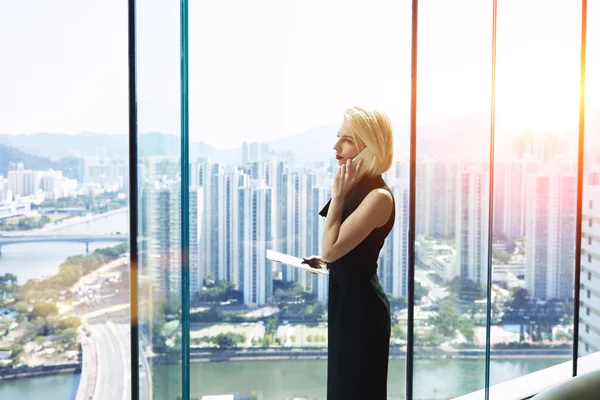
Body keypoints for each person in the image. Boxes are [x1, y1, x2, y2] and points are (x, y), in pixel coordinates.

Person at [302, 106, 395, 400]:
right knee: (342, 388)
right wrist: (325, 263)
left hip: (362, 311)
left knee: (356, 390)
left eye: (347, 140)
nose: (336, 147)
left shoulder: (377, 197)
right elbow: (340, 251)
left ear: (371, 148)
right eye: (338, 137)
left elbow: (330, 248)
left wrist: (339, 194)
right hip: (345, 303)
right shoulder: (357, 189)